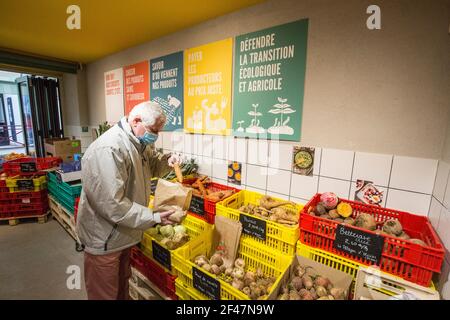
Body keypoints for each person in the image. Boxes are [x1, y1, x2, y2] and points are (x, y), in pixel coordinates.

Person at [76, 101, 182, 300]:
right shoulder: (109, 149)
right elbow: (112, 205)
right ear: (135, 121)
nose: (156, 136)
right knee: (104, 293)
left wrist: (166, 162)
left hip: (123, 233)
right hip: (104, 237)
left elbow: (151, 166)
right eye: (153, 130)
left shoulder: (138, 142)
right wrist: (153, 217)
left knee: (120, 286)